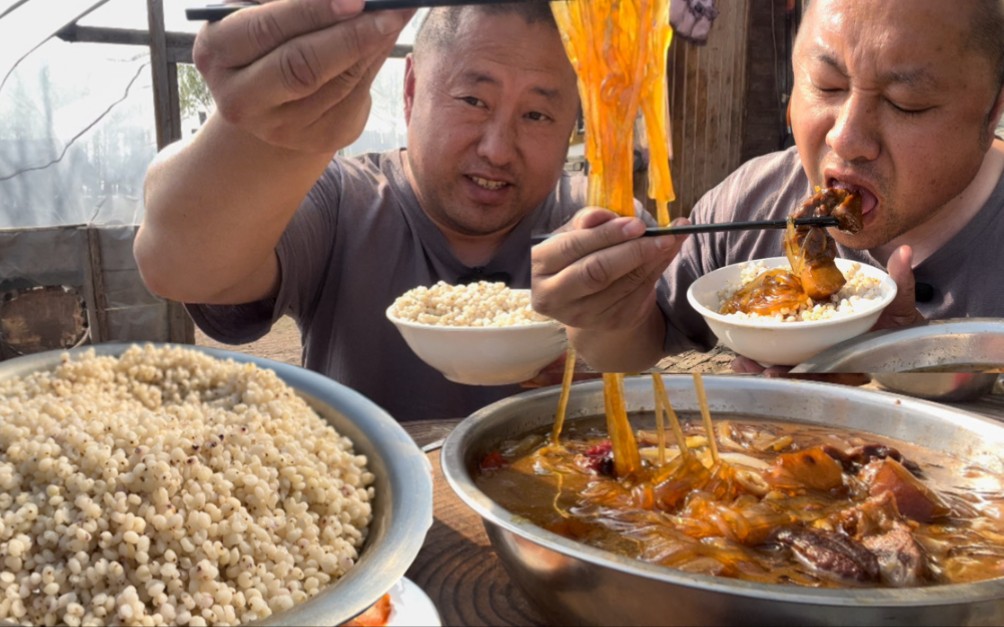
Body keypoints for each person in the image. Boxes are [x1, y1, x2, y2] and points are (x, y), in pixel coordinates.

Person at [137, 0, 678, 422]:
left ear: (574, 125)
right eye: (473, 101)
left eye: (537, 114)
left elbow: (634, 349)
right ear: (413, 88)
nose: (496, 147)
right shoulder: (341, 197)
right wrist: (262, 132)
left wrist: (610, 316)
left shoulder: (593, 214)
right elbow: (180, 263)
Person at [531, 0, 1004, 374]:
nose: (846, 138)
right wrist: (604, 313)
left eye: (907, 104)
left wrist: (917, 370)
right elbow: (638, 345)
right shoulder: (753, 199)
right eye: (827, 85)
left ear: (993, 113)